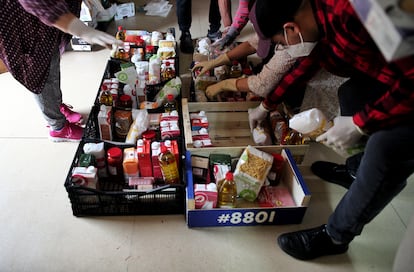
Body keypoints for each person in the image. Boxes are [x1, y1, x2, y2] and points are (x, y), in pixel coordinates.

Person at [248, 0, 414, 260]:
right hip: (393, 74)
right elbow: (304, 68)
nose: (285, 48)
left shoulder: (368, 9)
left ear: (291, 27)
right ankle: (357, 171)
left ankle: (336, 235)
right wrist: (266, 106)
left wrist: (361, 122)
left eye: (282, 43)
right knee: (351, 92)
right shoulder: (318, 20)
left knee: (386, 146)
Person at [0, 0, 120, 142]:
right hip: (21, 20)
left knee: (52, 60)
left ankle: (55, 106)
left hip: (43, 21)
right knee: (39, 70)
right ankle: (58, 127)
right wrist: (82, 30)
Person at [192, 2, 316, 101]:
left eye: (279, 44)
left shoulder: (330, 25)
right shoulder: (291, 25)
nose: (279, 48)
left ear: (291, 28)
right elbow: (253, 43)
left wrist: (225, 85)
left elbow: (263, 85)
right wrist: (216, 61)